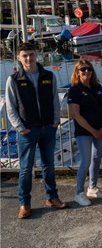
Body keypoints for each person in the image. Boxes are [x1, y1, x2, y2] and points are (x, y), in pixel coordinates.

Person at [5, 42, 66, 218]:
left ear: (36, 55)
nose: (28, 58)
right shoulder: (14, 80)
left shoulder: (49, 76)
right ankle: (24, 203)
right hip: (27, 130)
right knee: (25, 168)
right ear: (18, 58)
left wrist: (55, 121)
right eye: (24, 56)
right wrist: (21, 128)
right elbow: (11, 107)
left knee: (49, 165)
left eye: (31, 54)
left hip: (48, 127)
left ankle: (52, 197)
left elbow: (55, 100)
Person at [68, 60, 102, 207]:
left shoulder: (97, 87)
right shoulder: (74, 90)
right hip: (84, 131)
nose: (87, 72)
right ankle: (79, 192)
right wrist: (93, 131)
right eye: (83, 70)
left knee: (97, 158)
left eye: (89, 69)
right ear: (77, 72)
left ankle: (92, 187)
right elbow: (76, 115)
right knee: (85, 160)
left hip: (101, 129)